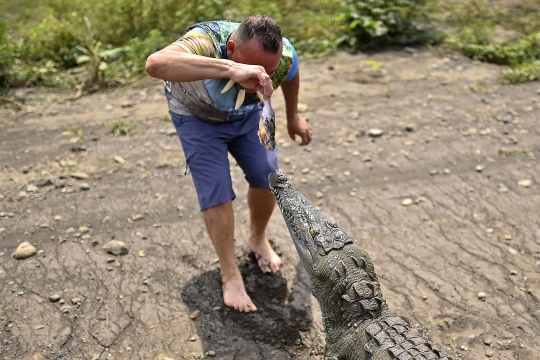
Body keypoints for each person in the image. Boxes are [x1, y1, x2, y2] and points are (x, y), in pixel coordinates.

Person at [145, 15, 312, 312]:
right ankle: (230, 274)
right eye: (254, 71)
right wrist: (232, 69)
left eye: (267, 73)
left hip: (246, 118)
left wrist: (293, 115)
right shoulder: (207, 41)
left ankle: (257, 238)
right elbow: (155, 64)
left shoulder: (282, 55)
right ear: (232, 48)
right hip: (196, 117)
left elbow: (291, 70)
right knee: (217, 188)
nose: (260, 79)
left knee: (267, 175)